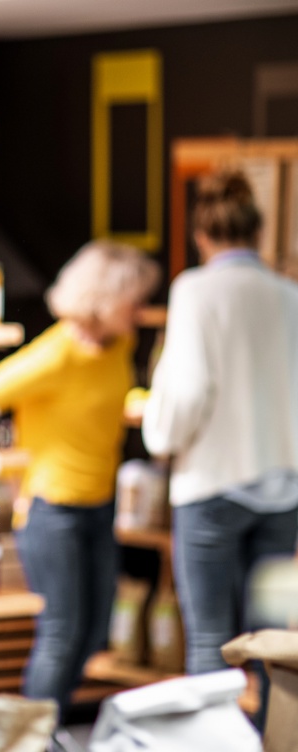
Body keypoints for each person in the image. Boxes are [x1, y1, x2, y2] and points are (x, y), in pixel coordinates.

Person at [0, 241, 160, 717]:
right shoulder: (55, 354)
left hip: (100, 506)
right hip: (54, 512)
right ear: (107, 299)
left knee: (93, 632)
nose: (141, 310)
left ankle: (49, 729)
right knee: (62, 631)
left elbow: (106, 397)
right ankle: (34, 737)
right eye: (134, 300)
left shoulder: (120, 344)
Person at [142, 171, 298, 721]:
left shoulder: (195, 290)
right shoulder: (289, 294)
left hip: (210, 488)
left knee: (211, 641)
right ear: (257, 234)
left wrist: (159, 437)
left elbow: (187, 389)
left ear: (202, 236)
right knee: (272, 644)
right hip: (284, 492)